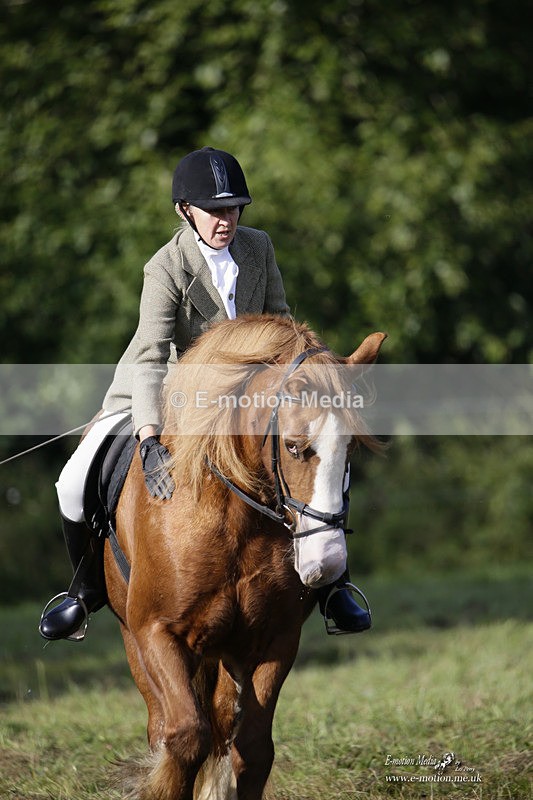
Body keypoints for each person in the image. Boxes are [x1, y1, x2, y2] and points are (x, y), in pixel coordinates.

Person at [39, 146, 371, 642]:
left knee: (317, 454)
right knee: (71, 481)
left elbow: (281, 323)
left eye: (233, 208)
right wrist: (149, 436)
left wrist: (310, 374)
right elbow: (151, 355)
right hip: (168, 390)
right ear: (185, 211)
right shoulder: (166, 267)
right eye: (214, 210)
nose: (225, 220)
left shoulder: (259, 248)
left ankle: (333, 587)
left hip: (251, 399)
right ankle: (85, 589)